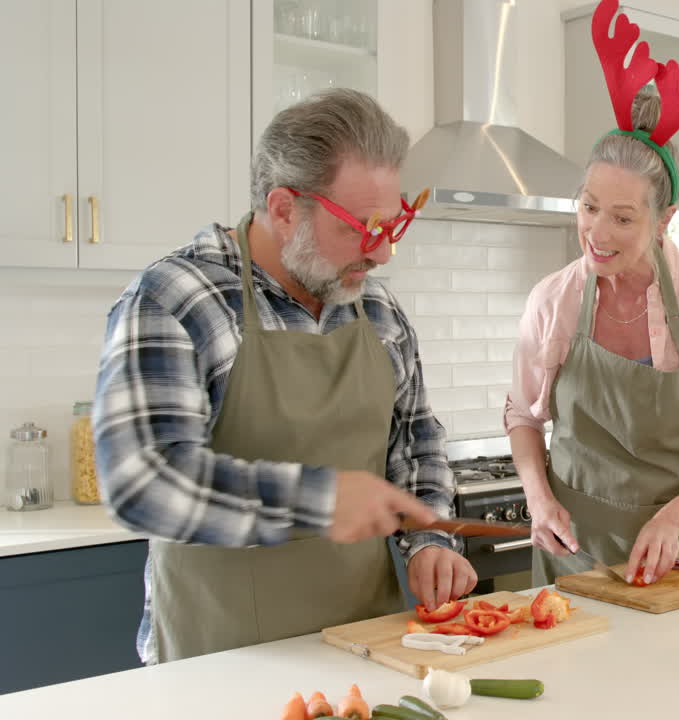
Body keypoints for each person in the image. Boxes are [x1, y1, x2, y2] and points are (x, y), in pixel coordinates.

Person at [93, 89, 476, 664]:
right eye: (361, 227)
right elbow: (141, 483)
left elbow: (416, 441)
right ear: (282, 209)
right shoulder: (178, 299)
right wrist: (318, 500)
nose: (382, 254)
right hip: (218, 663)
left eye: (393, 225)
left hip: (363, 651)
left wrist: (430, 541)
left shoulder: (378, 311)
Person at [504, 0, 679, 587]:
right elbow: (523, 415)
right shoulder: (553, 299)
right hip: (571, 555)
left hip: (674, 553)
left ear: (664, 217)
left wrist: (670, 523)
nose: (597, 233)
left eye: (622, 218)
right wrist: (538, 500)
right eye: (589, 208)